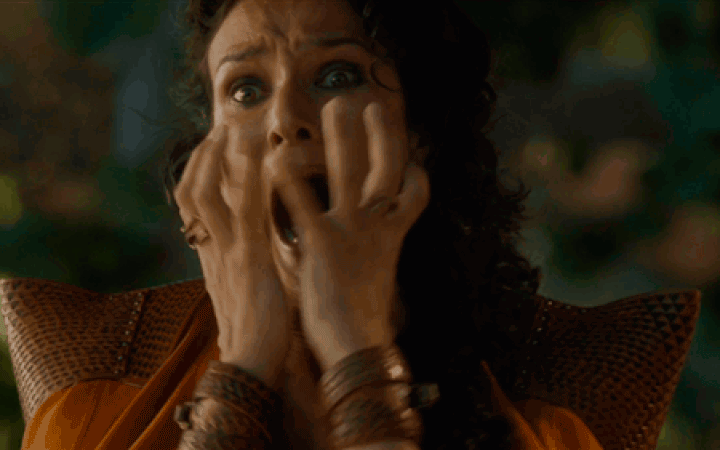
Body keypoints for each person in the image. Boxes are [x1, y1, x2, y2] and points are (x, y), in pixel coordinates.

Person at [0, 0, 701, 449]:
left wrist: (356, 352)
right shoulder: (91, 391)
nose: (283, 120)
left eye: (337, 76)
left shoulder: (559, 406)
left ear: (421, 134)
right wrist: (244, 365)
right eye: (245, 89)